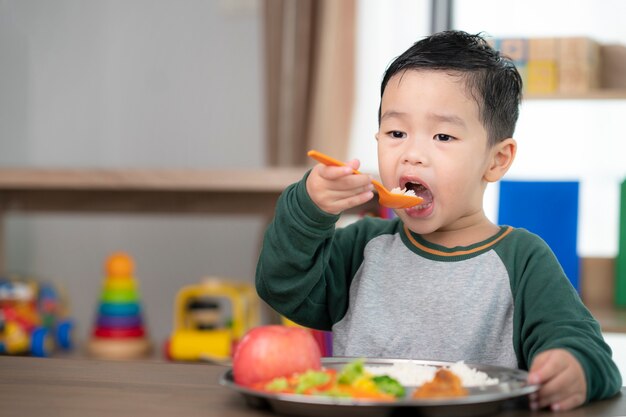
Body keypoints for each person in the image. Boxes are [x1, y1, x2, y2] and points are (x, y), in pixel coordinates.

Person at [255, 30, 622, 411]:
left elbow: (589, 352)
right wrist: (308, 210)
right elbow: (281, 286)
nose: (412, 154)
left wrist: (572, 367)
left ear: (497, 160)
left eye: (443, 136)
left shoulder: (523, 261)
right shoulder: (362, 247)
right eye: (396, 132)